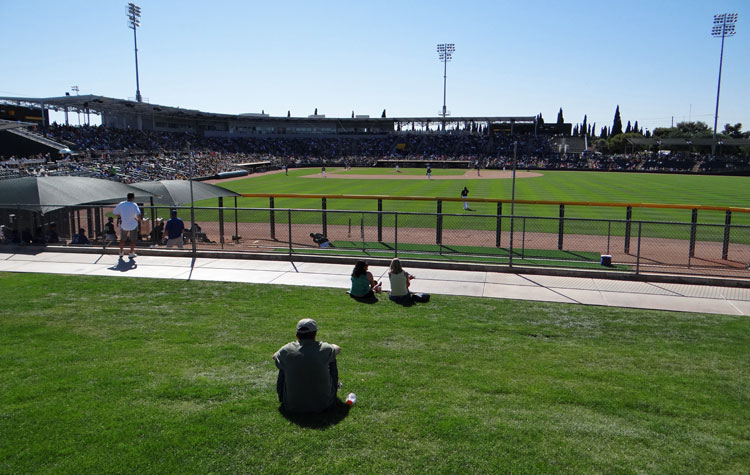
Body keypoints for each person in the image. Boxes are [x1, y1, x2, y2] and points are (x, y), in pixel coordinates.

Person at [273, 318, 341, 413]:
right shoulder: (324, 349)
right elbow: (338, 348)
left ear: (297, 335)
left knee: (283, 364)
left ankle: (282, 398)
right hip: (324, 404)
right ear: (315, 333)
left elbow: (275, 356)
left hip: (292, 406)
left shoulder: (287, 350)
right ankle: (332, 390)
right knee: (332, 358)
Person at [113, 192, 141, 259]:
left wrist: (121, 216)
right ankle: (131, 253)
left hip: (124, 225)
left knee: (122, 239)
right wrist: (138, 220)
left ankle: (121, 252)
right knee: (132, 240)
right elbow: (139, 214)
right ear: (133, 197)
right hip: (133, 225)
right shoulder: (134, 205)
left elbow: (115, 212)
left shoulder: (121, 203)